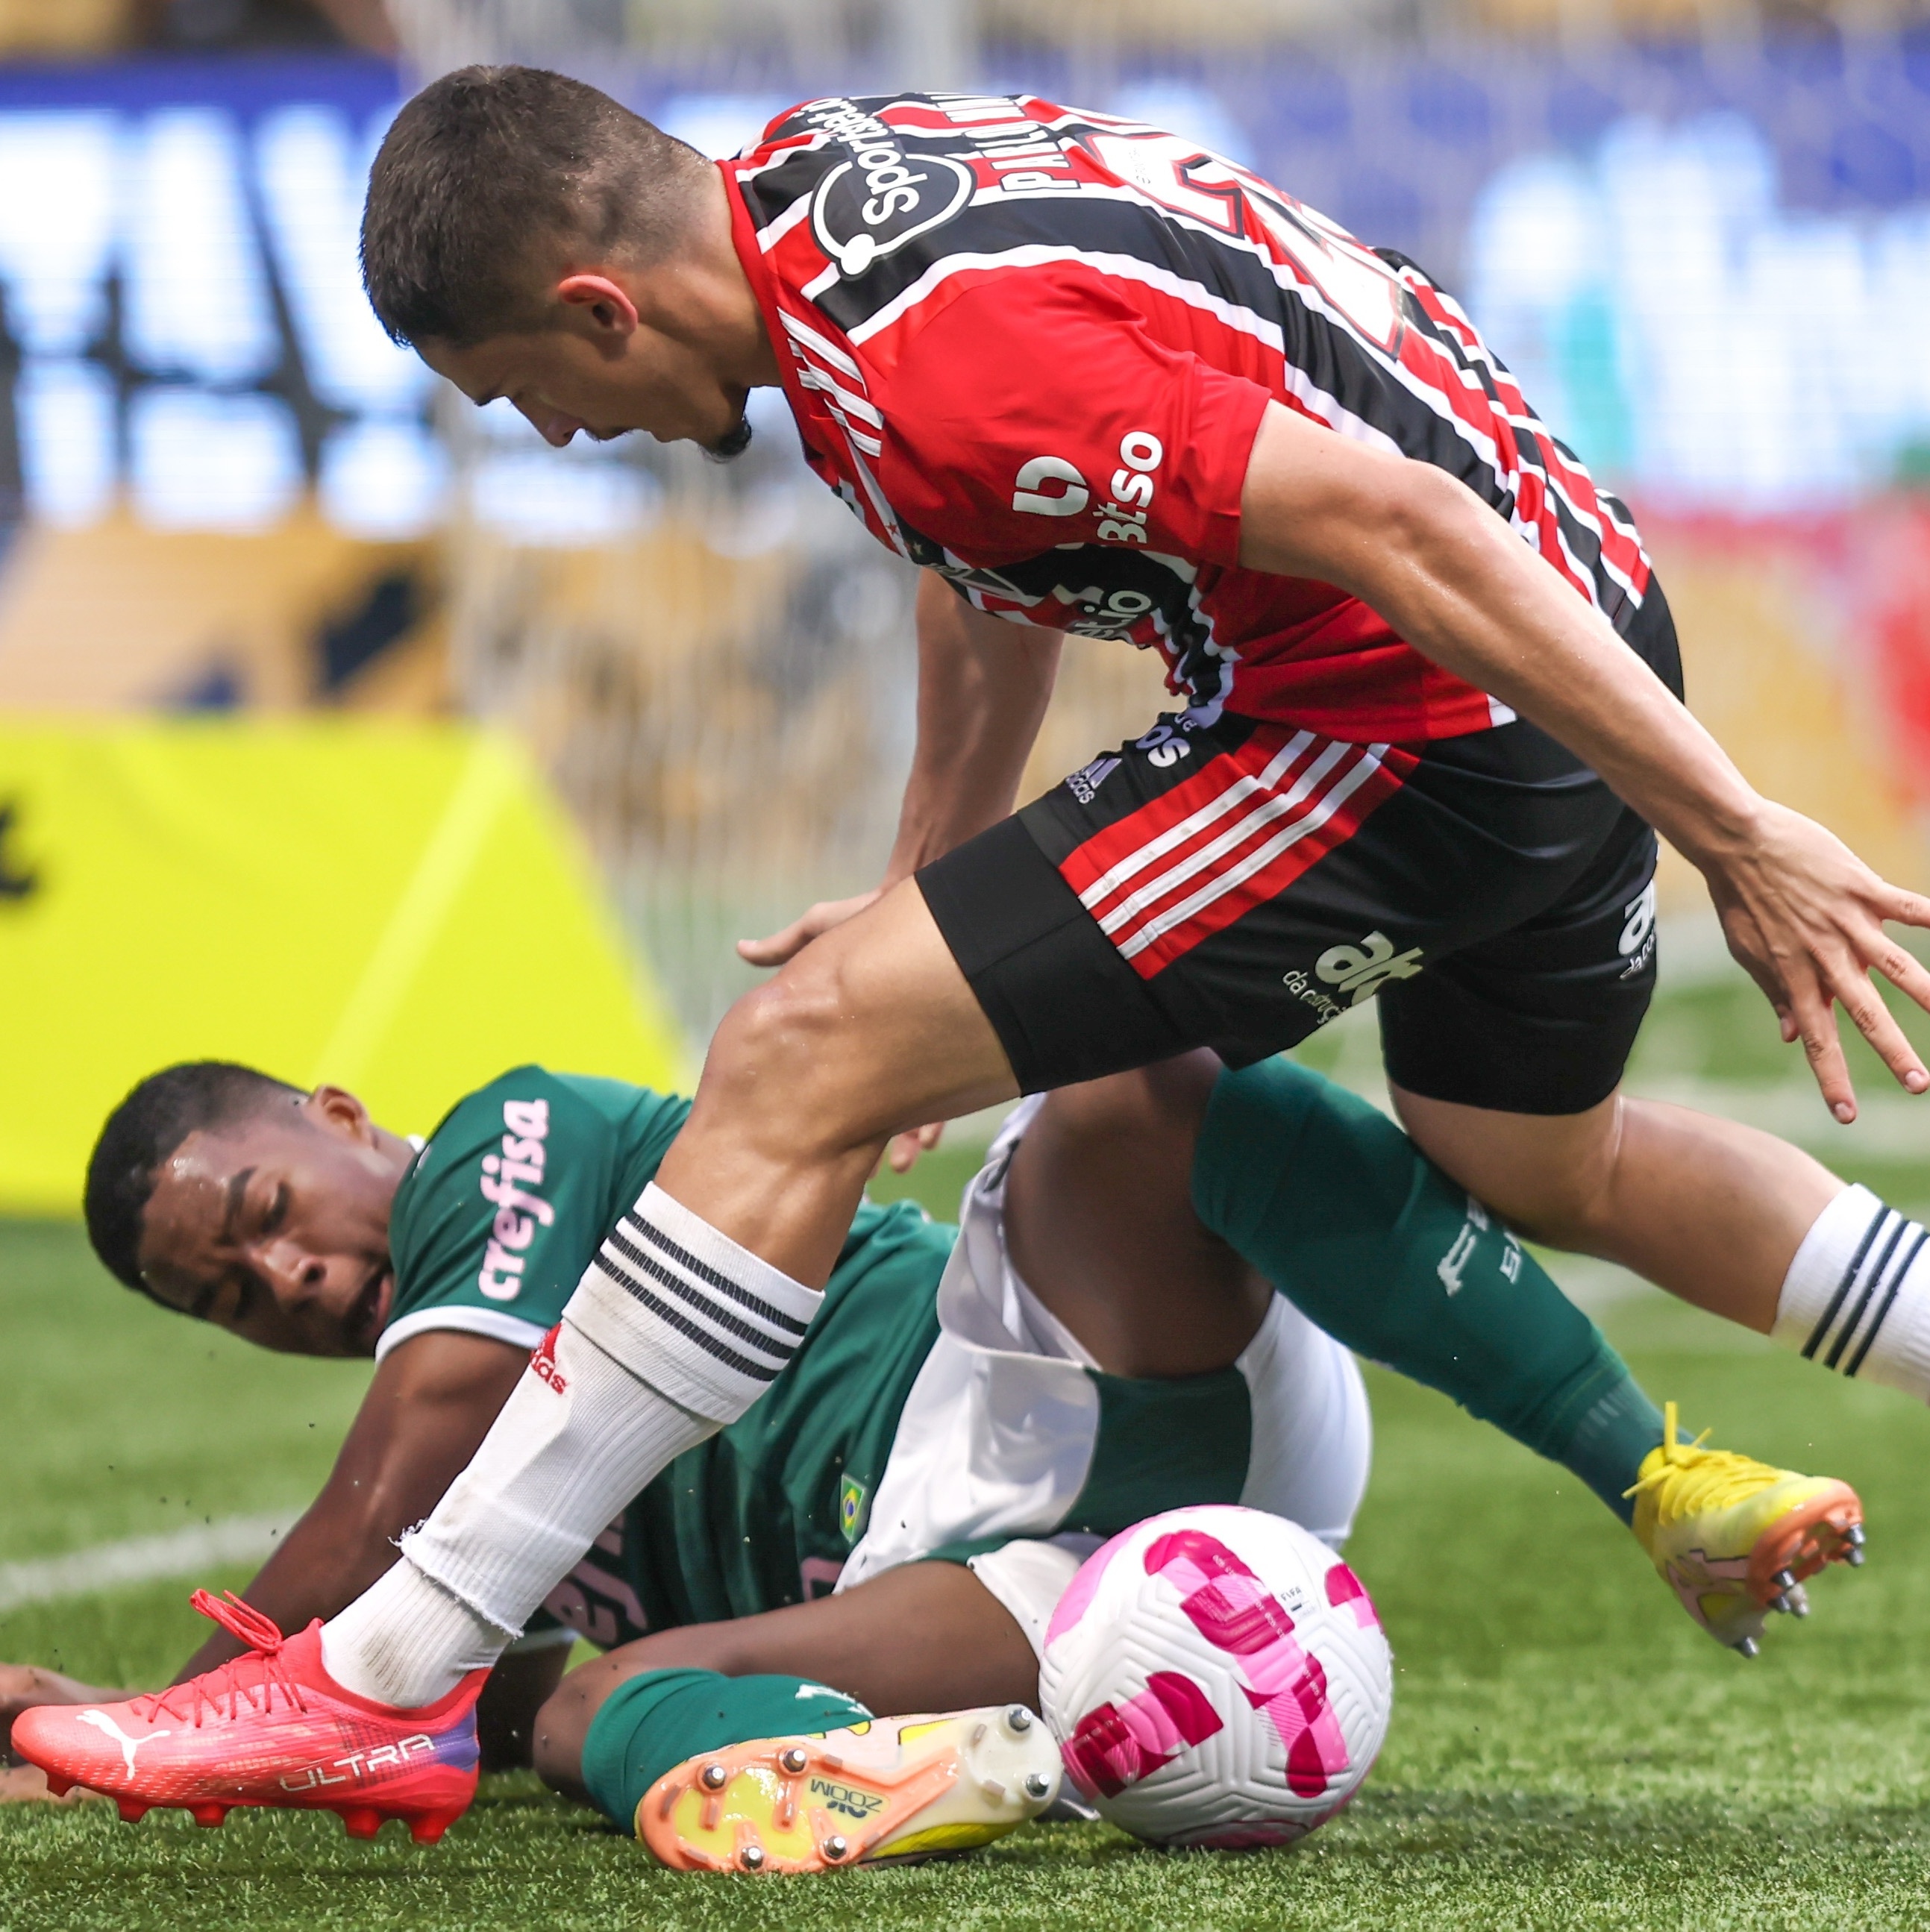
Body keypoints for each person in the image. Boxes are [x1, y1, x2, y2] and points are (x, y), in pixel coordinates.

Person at [28, 66, 1927, 1799]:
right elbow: (993, 550)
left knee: (793, 1055)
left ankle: (375, 1675)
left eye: (531, 392)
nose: (562, 435)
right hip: (1581, 603)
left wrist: (1737, 827)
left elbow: (1393, 519)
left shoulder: (937, 355)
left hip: (1417, 705)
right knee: (1538, 1158)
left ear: (599, 306)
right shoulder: (821, 195)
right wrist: (926, 877)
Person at [11, 1054, 1860, 1863]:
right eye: (231, 1294)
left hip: (1036, 1367)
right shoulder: (465, 1563)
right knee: (586, 1714)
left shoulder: (501, 1148)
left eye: (266, 1208)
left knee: (1139, 1095)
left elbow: (407, 1454)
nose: (287, 1271)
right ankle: (980, 1772)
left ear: (338, 1119)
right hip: (1008, 1606)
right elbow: (443, 1703)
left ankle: (1652, 1474)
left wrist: (143, 1728)